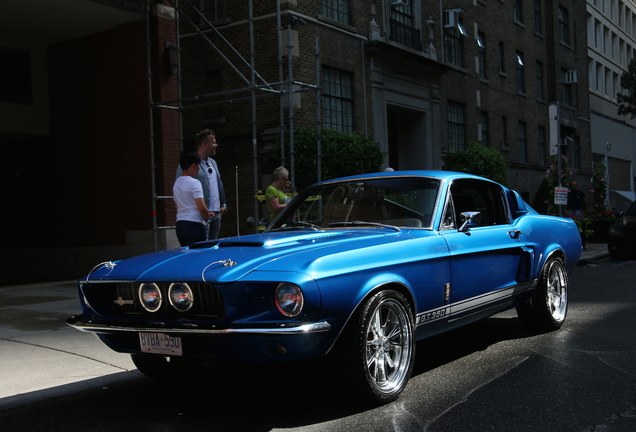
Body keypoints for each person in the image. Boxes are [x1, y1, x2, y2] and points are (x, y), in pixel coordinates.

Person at [176, 129, 227, 240]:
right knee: (202, 249)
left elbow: (218, 184)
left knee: (212, 248)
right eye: (213, 142)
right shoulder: (189, 163)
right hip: (201, 216)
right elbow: (179, 188)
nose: (216, 145)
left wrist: (223, 204)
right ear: (205, 144)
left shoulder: (213, 163)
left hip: (216, 214)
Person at [174, 153, 209, 246]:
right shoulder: (195, 183)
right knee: (198, 255)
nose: (199, 168)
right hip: (194, 224)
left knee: (186, 254)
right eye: (198, 165)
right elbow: (201, 207)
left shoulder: (176, 183)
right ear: (193, 166)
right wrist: (207, 217)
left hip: (180, 224)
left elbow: (177, 206)